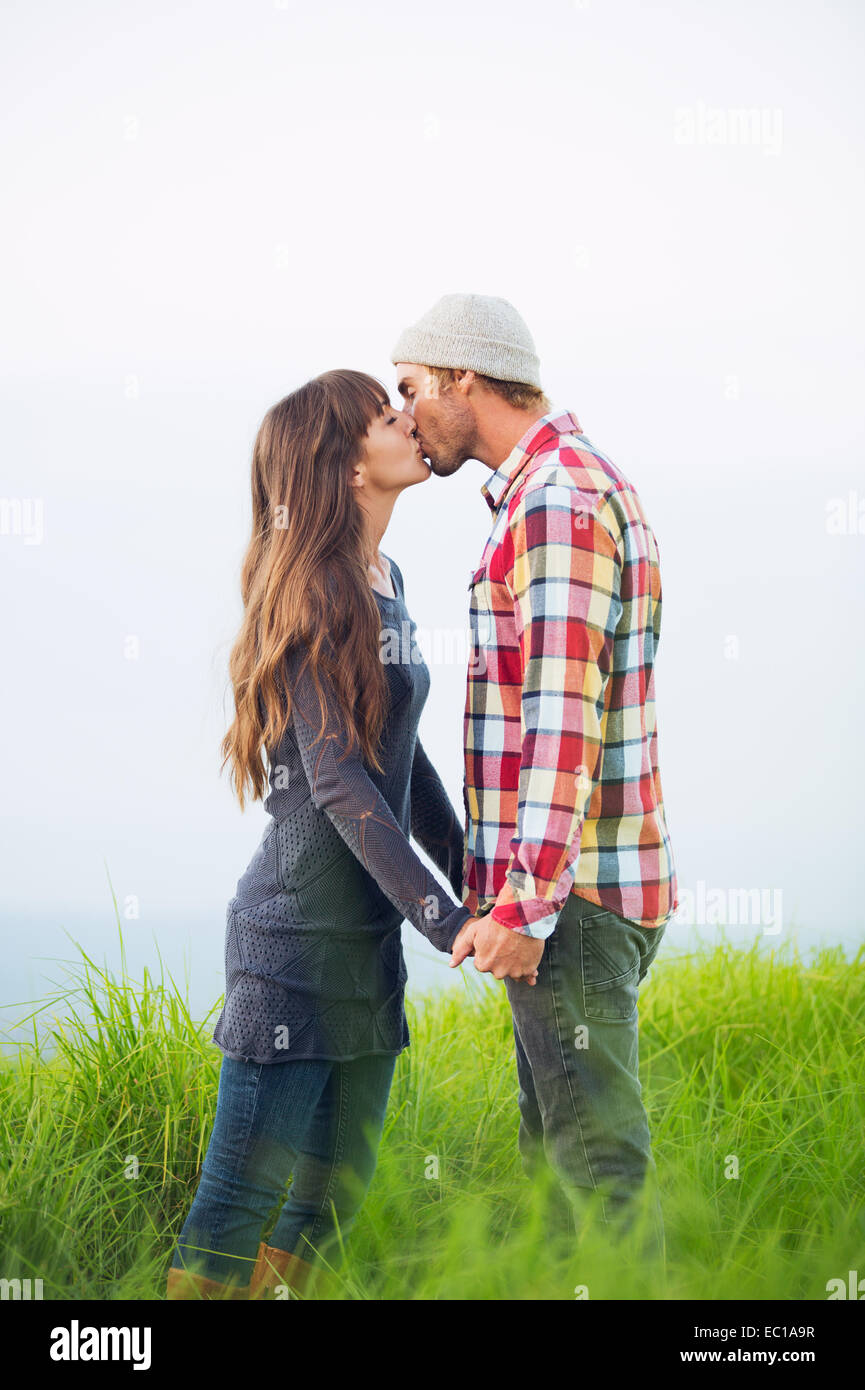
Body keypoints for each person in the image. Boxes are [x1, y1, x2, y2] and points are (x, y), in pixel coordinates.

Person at [166, 369, 528, 1302]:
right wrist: (445, 921)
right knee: (233, 1211)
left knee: (329, 1203)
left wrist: (478, 882)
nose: (408, 420)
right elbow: (337, 782)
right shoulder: (319, 592)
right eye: (383, 415)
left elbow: (400, 768)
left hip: (363, 951)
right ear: (342, 463)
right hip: (289, 947)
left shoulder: (386, 579)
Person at [392, 295, 678, 1251]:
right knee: (561, 1178)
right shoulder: (556, 487)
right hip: (584, 889)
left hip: (574, 900)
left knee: (595, 1183)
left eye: (412, 389)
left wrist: (525, 904)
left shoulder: (555, 500)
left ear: (463, 379)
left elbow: (561, 721)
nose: (406, 415)